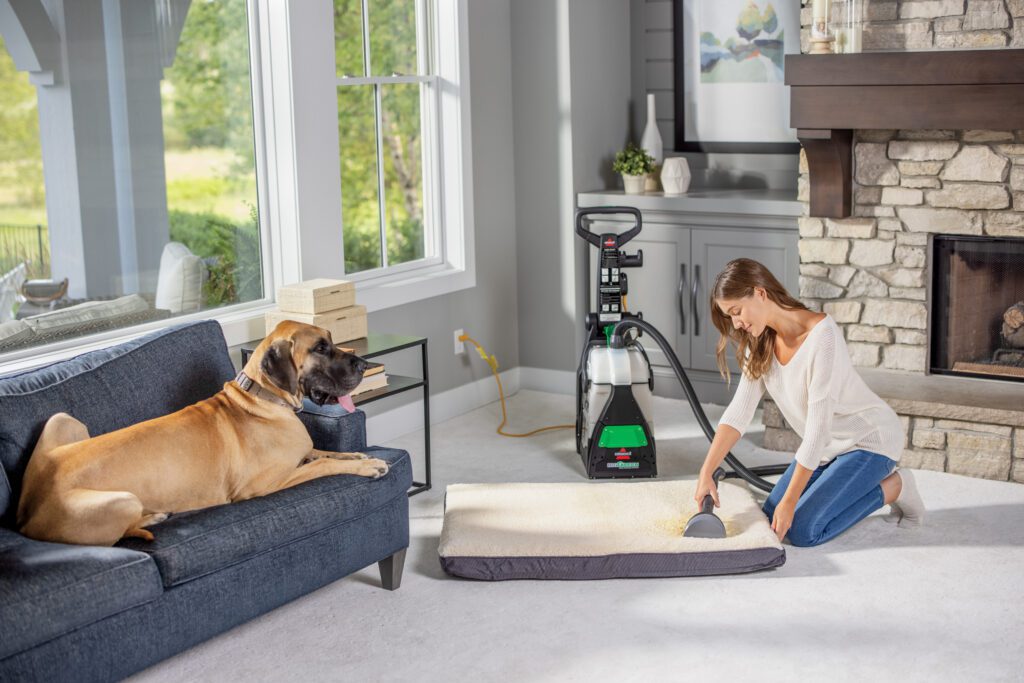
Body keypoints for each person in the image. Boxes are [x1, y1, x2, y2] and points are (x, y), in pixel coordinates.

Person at [693, 258, 925, 546]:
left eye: (736, 311)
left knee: (802, 531)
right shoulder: (760, 341)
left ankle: (896, 487)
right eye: (730, 316)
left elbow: (817, 433)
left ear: (760, 292)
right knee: (769, 517)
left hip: (868, 441)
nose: (736, 323)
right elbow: (738, 414)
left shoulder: (822, 337)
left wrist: (790, 502)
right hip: (826, 449)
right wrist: (706, 471)